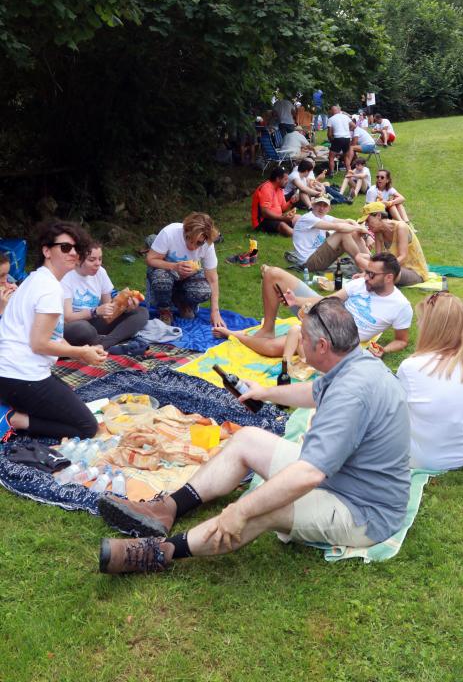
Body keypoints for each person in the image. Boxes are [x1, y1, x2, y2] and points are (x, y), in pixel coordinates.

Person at [98, 297, 411, 574]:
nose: (299, 345)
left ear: (322, 346)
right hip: (345, 479)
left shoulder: (350, 394)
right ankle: (166, 509)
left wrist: (240, 510)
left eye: (303, 339)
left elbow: (309, 474)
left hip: (363, 511)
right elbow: (314, 391)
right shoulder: (354, 363)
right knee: (247, 438)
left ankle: (161, 552)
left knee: (263, 508)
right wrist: (265, 392)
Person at [0, 222, 105, 441]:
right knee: (87, 427)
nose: (73, 253)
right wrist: (81, 353)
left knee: (69, 403)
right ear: (47, 251)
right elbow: (39, 343)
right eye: (65, 247)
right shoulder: (49, 288)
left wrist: (83, 350)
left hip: (11, 373)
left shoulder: (36, 278)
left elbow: (53, 335)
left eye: (77, 248)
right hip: (19, 376)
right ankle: (14, 419)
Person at [214, 253, 412, 358]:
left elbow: (402, 341)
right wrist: (297, 301)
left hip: (338, 336)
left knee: (276, 349)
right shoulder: (362, 283)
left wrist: (384, 349)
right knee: (273, 273)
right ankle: (267, 329)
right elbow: (330, 299)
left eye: (371, 274)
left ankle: (233, 335)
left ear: (388, 278)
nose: (365, 277)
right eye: (366, 272)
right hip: (327, 311)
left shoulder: (400, 306)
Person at [397, 293, 463, 471]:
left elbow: (394, 415)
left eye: (421, 320)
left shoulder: (411, 367)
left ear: (432, 328)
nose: (418, 324)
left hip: (424, 459)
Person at [62, 241, 148, 351]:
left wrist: (124, 306)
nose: (97, 264)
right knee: (83, 329)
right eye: (92, 260)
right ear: (78, 260)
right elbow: (67, 318)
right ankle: (112, 339)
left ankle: (103, 344)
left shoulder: (100, 272)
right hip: (74, 324)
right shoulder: (66, 277)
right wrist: (95, 311)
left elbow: (109, 310)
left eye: (100, 259)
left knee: (141, 312)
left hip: (95, 321)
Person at [146, 212, 226, 327]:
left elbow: (212, 279)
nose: (192, 247)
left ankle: (181, 302)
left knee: (203, 291)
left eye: (199, 243)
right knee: (161, 279)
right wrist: (174, 266)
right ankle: (164, 310)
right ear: (185, 230)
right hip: (166, 272)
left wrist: (215, 312)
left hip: (188, 277)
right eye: (189, 239)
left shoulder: (208, 244)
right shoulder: (170, 232)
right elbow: (150, 259)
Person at [356, 203, 429, 286]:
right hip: (391, 267)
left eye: (368, 221)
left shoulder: (401, 227)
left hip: (413, 271)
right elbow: (378, 258)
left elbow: (403, 256)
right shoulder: (378, 231)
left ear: (379, 216)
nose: (367, 225)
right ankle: (373, 277)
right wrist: (366, 272)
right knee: (359, 257)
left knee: (386, 274)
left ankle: (374, 278)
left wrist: (380, 268)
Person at [291, 194, 369, 271]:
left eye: (325, 206)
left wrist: (360, 229)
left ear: (329, 209)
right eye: (319, 204)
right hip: (308, 262)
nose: (321, 208)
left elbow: (348, 221)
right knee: (343, 233)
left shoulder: (324, 217)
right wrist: (359, 228)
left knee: (353, 232)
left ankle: (371, 261)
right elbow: (339, 227)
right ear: (313, 205)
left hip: (317, 255)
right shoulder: (308, 218)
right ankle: (363, 264)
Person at [251, 166, 299, 237]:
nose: (287, 182)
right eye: (285, 179)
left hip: (276, 218)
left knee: (298, 218)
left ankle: (311, 232)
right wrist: (283, 218)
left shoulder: (280, 188)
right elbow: (265, 213)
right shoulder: (266, 189)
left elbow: (283, 209)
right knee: (282, 225)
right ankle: (300, 237)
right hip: (263, 221)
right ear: (278, 179)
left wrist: (291, 202)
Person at [326, 105, 355, 177]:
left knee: (331, 157)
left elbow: (329, 134)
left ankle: (331, 173)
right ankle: (349, 172)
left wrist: (330, 140)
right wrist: (347, 130)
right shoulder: (345, 116)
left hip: (338, 138)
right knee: (346, 156)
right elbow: (354, 126)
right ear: (338, 110)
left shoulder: (331, 119)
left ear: (332, 111)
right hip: (347, 138)